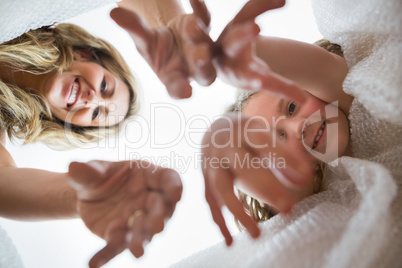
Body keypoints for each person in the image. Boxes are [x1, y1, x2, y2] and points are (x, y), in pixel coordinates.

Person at [179, 0, 401, 267]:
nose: (298, 127)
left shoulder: (355, 93)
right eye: (277, 141)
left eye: (292, 106)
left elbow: (319, 70)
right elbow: (289, 199)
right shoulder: (328, 198)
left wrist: (239, 56)